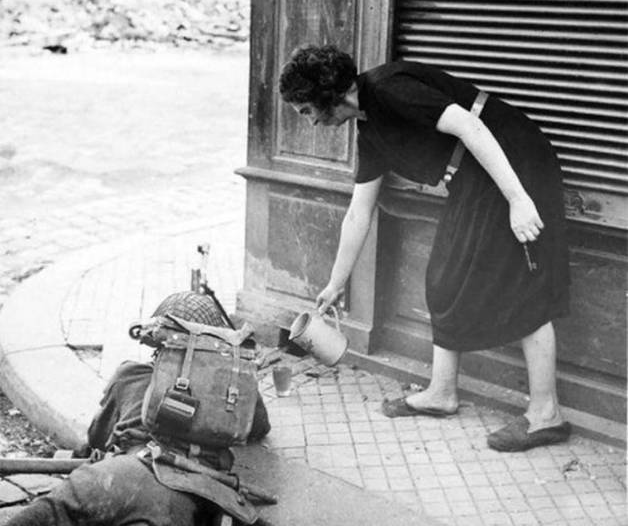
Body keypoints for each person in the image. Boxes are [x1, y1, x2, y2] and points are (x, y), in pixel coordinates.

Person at [279, 44, 571, 452]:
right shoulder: (370, 132)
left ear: (328, 97)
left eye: (306, 111)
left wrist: (518, 199)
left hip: (512, 157)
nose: (309, 124)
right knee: (442, 276)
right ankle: (442, 392)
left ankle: (546, 414)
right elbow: (358, 213)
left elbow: (472, 127)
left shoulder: (388, 88)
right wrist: (335, 283)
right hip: (474, 174)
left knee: (518, 282)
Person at [6, 291, 271, 526]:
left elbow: (97, 437)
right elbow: (259, 427)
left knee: (43, 515)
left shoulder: (130, 374)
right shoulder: (227, 395)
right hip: (193, 495)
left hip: (118, 476)